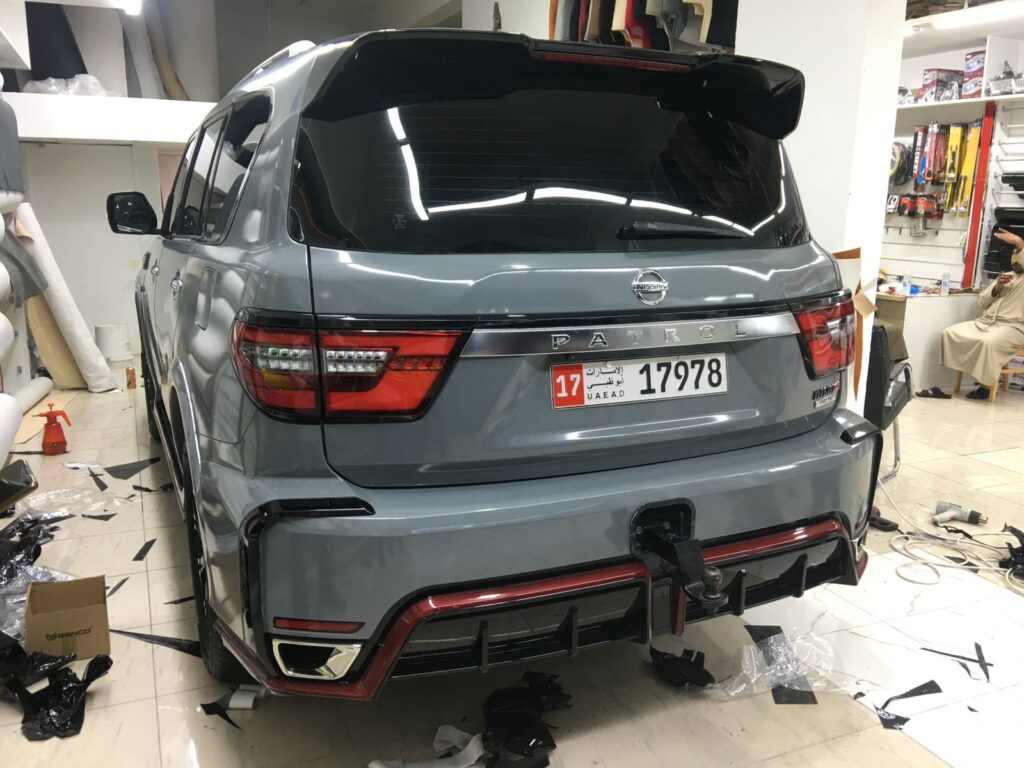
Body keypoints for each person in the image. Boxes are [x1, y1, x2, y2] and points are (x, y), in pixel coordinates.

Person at [941, 229, 1024, 399]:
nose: (1015, 260)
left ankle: (985, 387)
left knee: (988, 343)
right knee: (950, 333)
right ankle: (972, 373)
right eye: (1013, 256)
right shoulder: (1007, 275)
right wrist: (997, 287)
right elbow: (983, 302)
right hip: (985, 323)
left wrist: (1019, 243)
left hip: (1013, 327)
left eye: (1018, 254)